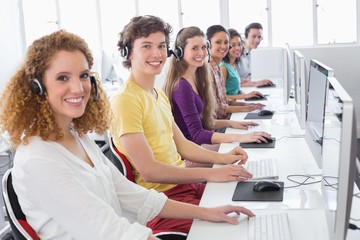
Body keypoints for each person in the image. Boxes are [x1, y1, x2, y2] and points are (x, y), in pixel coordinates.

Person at [0, 29, 255, 240]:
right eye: (62, 78)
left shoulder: (78, 138)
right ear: (36, 87)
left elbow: (134, 195)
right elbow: (109, 231)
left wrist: (208, 213)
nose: (78, 88)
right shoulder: (38, 160)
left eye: (84, 76)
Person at [110, 15, 255, 234]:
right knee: (238, 231)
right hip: (164, 203)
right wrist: (210, 173)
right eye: (146, 46)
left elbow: (184, 146)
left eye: (161, 46)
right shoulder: (125, 101)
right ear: (128, 52)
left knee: (247, 209)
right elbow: (149, 171)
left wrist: (224, 160)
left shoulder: (156, 94)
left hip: (186, 189)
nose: (157, 54)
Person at [164, 26, 271, 149]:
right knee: (242, 148)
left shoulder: (197, 78)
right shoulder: (182, 86)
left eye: (204, 47)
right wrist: (240, 137)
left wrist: (233, 123)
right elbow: (197, 134)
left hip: (198, 147)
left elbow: (205, 123)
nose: (201, 53)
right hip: (191, 153)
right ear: (180, 52)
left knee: (246, 146)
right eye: (194, 48)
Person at [206, 25, 264, 120]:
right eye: (218, 42)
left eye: (226, 43)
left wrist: (248, 105)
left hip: (227, 116)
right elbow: (217, 108)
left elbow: (223, 100)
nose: (224, 46)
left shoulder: (217, 68)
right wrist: (246, 104)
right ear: (208, 45)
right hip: (223, 121)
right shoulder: (220, 68)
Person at [220, 28, 265, 100]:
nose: (238, 48)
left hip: (237, 103)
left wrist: (242, 93)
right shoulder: (223, 68)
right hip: (231, 108)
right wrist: (245, 96)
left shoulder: (232, 65)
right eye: (233, 45)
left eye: (239, 44)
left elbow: (233, 90)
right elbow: (221, 98)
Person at [236, 22, 274, 87]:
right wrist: (256, 83)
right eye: (253, 36)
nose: (257, 40)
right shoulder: (237, 52)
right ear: (246, 36)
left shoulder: (250, 52)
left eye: (259, 37)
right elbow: (232, 82)